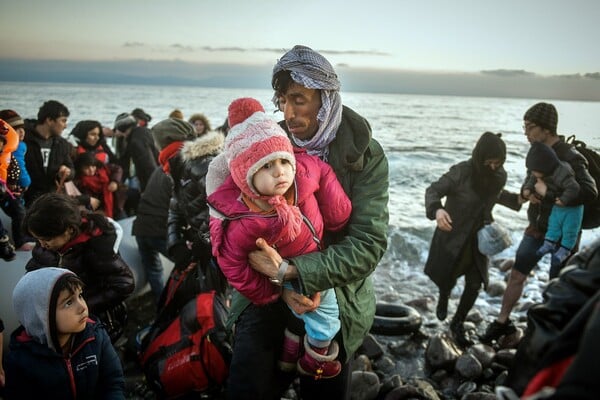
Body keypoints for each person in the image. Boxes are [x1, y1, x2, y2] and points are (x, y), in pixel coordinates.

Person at [212, 45, 389, 399]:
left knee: (323, 388)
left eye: (299, 100)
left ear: (326, 98)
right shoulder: (266, 142)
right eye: (282, 101)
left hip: (336, 291)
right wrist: (269, 275)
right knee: (247, 384)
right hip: (265, 287)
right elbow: (225, 213)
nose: (289, 112)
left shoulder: (367, 154)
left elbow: (369, 244)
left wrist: (294, 272)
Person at [209, 98, 352, 378]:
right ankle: (316, 356)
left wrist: (338, 213)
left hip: (313, 261)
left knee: (305, 314)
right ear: (244, 176)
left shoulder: (301, 176)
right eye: (266, 167)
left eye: (284, 161)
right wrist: (272, 292)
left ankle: (292, 346)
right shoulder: (244, 220)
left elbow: (323, 172)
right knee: (326, 314)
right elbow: (231, 263)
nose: (280, 172)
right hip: (287, 275)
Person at [481, 102, 597, 345]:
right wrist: (527, 191)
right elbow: (529, 178)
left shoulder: (571, 157)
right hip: (536, 229)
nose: (526, 132)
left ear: (547, 128)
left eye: (530, 127)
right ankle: (502, 323)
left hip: (564, 232)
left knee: (557, 285)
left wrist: (549, 193)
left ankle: (552, 335)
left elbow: (589, 191)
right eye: (524, 126)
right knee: (516, 275)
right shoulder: (536, 150)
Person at [424, 132, 509, 347]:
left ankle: (458, 321)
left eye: (498, 163)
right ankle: (444, 295)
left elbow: (496, 195)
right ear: (480, 157)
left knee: (475, 283)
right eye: (490, 162)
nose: (493, 167)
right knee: (447, 277)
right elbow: (433, 189)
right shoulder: (461, 172)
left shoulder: (499, 176)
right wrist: (437, 211)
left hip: (479, 240)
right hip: (453, 234)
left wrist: (521, 198)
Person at [22, 193, 135, 340]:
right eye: (37, 239)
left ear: (69, 230)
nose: (42, 244)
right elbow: (35, 266)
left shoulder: (95, 247)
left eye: (46, 239)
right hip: (63, 325)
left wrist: (80, 307)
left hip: (95, 325)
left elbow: (124, 284)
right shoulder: (48, 246)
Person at [4, 267, 125, 399]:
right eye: (68, 303)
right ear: (41, 315)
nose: (83, 307)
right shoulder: (20, 362)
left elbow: (112, 383)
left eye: (80, 295)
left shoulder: (96, 335)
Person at [153, 117, 228, 297]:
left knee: (215, 300)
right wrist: (175, 243)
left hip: (220, 247)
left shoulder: (201, 164)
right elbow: (175, 208)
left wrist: (201, 242)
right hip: (203, 245)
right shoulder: (176, 166)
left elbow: (223, 206)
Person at [524, 142, 583, 270]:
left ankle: (565, 250)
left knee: (569, 231)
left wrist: (562, 200)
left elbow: (574, 188)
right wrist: (527, 190)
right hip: (557, 206)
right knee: (553, 225)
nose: (533, 173)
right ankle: (549, 243)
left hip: (572, 209)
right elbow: (532, 180)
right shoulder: (540, 171)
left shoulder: (563, 171)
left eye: (535, 170)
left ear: (544, 167)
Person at [131, 165, 173, 303]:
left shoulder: (159, 169)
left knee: (154, 270)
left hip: (141, 227)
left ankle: (163, 307)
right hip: (159, 229)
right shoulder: (177, 173)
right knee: (188, 266)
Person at [22, 100, 75, 207]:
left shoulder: (62, 144)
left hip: (50, 199)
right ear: (49, 120)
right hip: (24, 198)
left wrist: (66, 172)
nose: (65, 126)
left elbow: (71, 169)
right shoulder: (23, 139)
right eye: (63, 121)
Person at [113, 112, 159, 193]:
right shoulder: (145, 132)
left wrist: (151, 190)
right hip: (161, 175)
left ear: (122, 129)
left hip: (153, 184)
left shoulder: (135, 142)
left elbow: (148, 165)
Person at [73, 152, 126, 219]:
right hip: (94, 213)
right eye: (86, 168)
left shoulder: (104, 170)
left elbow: (118, 169)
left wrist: (115, 182)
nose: (91, 170)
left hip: (114, 207)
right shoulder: (79, 182)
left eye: (93, 166)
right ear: (80, 168)